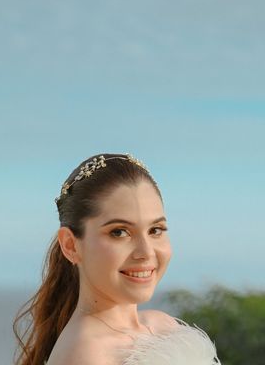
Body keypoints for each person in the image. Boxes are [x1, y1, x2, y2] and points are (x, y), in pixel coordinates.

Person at [13, 153, 220, 365]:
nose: (146, 252)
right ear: (70, 245)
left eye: (155, 230)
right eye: (119, 232)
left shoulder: (164, 326)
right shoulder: (87, 354)